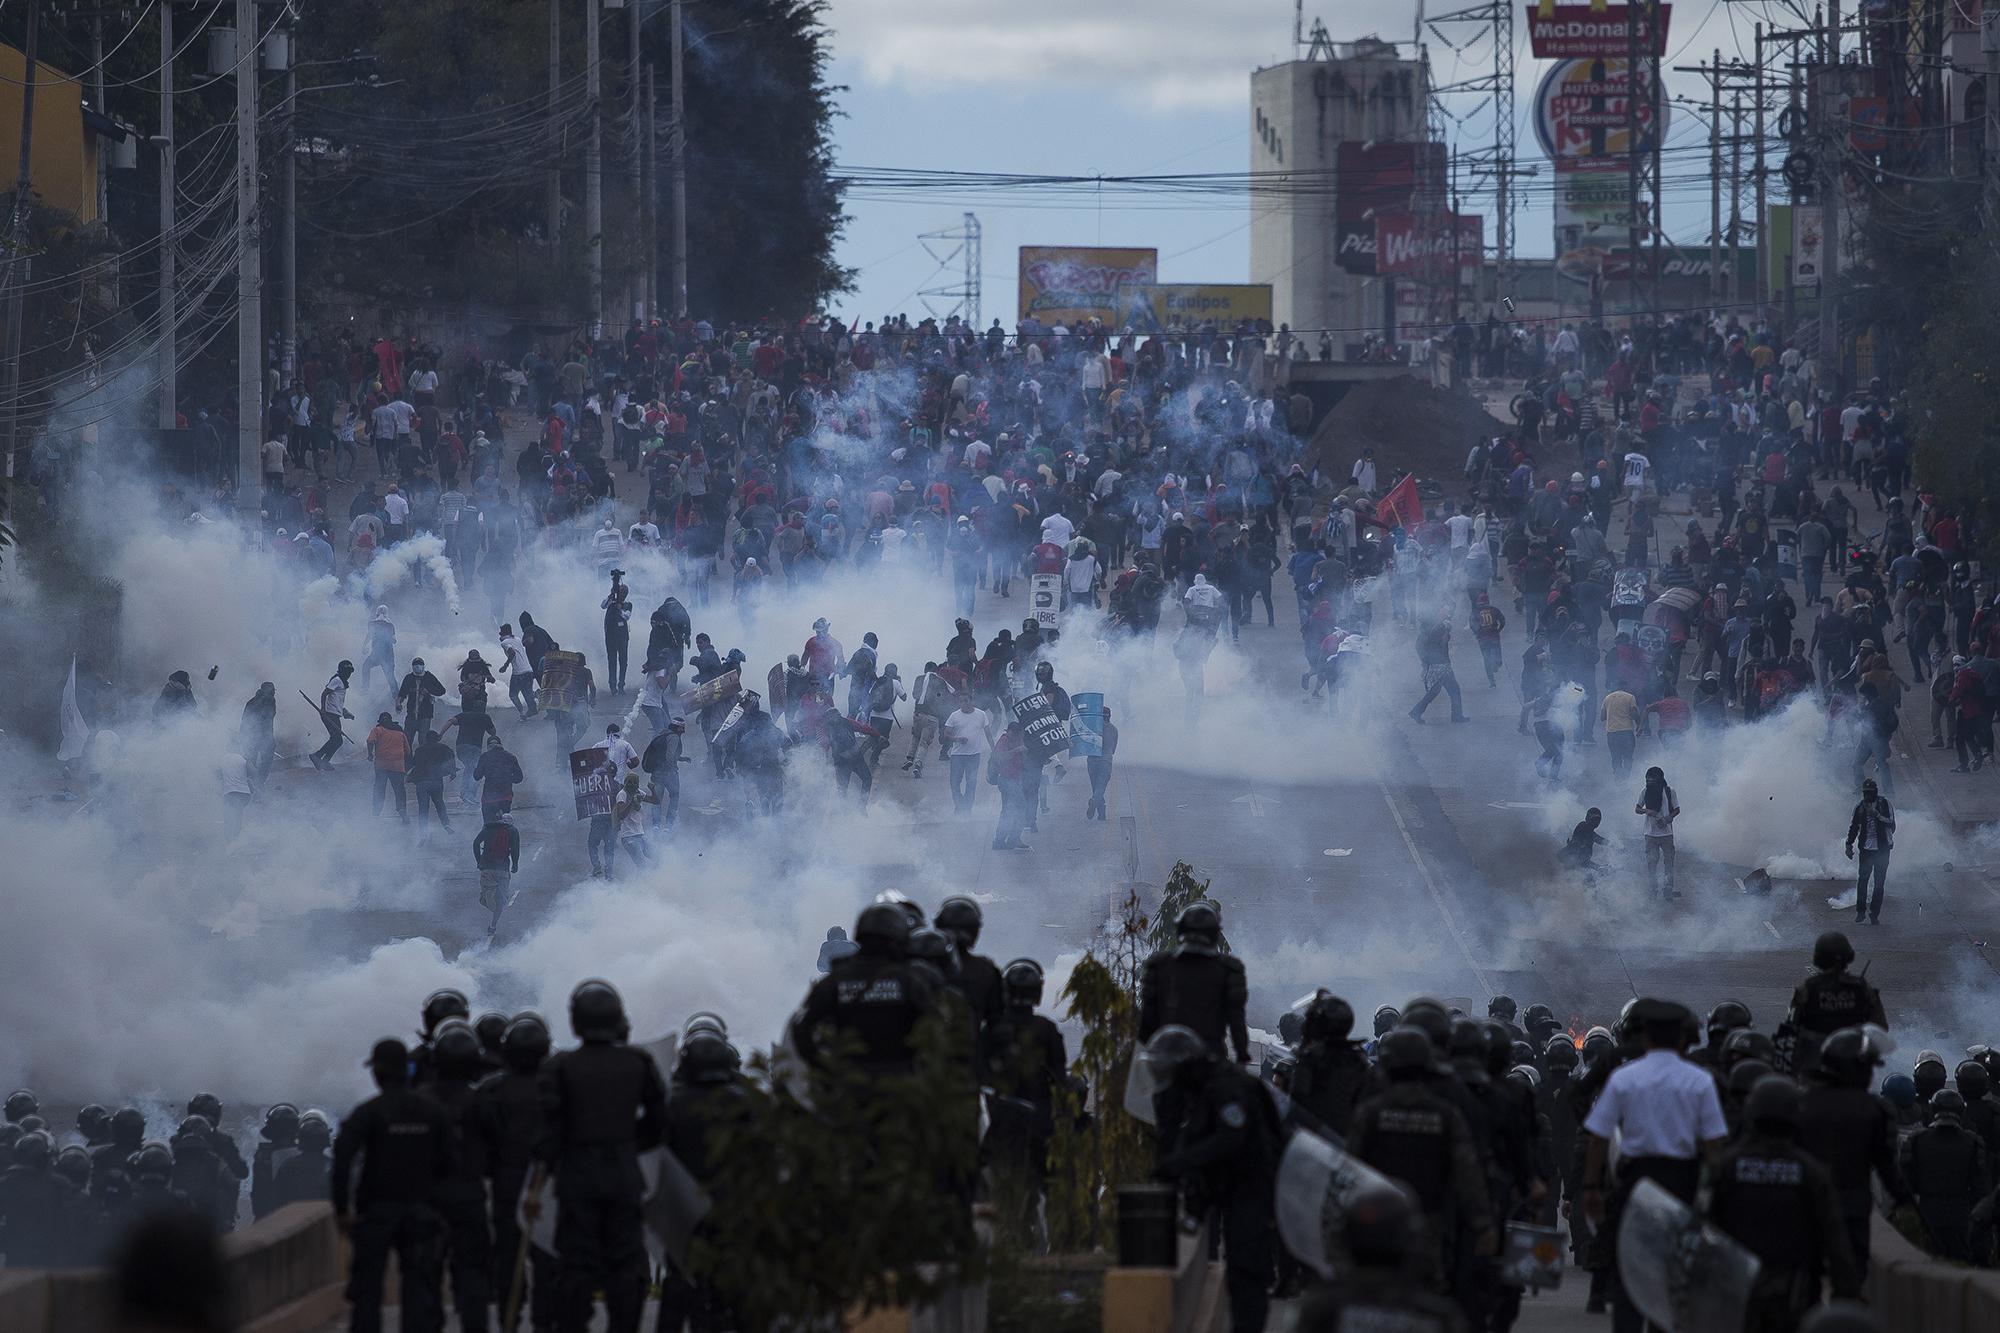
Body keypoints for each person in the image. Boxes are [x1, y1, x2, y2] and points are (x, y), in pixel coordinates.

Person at [524, 981, 668, 1333]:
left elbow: (549, 1132)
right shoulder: (637, 1062)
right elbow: (660, 1120)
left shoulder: (560, 1067)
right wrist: (629, 1145)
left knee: (577, 1267)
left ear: (576, 1021)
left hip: (577, 1178)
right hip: (623, 1175)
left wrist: (536, 1184)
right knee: (625, 1265)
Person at [1579, 999, 1728, 1333]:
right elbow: (1713, 1145)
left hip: (1635, 1182)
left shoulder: (1623, 1077)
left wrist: (1590, 1187)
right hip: (1682, 1183)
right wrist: (1712, 1193)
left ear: (1644, 1037)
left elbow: (1598, 1137)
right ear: (1680, 1039)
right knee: (1670, 1273)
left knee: (1629, 1269)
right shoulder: (1700, 1081)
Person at [1145, 1026, 1281, 1333]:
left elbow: (1231, 1138)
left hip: (1253, 1191)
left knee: (1247, 1274)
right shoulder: (1206, 1089)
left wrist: (1181, 1163)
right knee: (1239, 1275)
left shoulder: (1229, 1089)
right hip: (1234, 1191)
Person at [1707, 1076, 1862, 1328]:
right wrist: (1847, 1293)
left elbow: (1706, 1225)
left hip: (1737, 1291)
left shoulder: (1727, 1167)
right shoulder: (1811, 1172)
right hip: (1795, 1295)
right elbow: (1835, 1238)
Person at [332, 1038, 454, 1333]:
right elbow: (450, 1161)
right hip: (422, 1211)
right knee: (418, 1287)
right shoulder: (433, 1112)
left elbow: (343, 1159)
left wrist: (342, 1209)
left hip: (376, 1212)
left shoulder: (368, 1112)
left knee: (367, 1290)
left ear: (379, 1072)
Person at [1779, 931, 1888, 1074]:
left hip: (1815, 1067)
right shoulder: (1862, 988)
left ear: (1818, 959)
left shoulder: (1807, 989)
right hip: (1852, 1067)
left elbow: (1790, 1031)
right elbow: (1880, 1028)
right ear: (1848, 957)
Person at [1844, 777, 1894, 925]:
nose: (1867, 796)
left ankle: (1874, 913)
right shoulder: (1859, 807)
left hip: (1882, 850)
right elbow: (1853, 827)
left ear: (1875, 792)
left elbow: (1892, 823)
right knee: (1863, 880)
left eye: (1870, 793)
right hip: (1866, 850)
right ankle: (1860, 912)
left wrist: (1877, 815)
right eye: (1865, 793)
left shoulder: (1885, 804)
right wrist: (1849, 845)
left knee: (1879, 883)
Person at [1409, 614, 1467, 723]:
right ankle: (1456, 716)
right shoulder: (1434, 631)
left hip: (1436, 665)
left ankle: (1417, 712)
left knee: (1436, 691)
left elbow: (1420, 648)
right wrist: (1445, 628)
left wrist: (1425, 663)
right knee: (1453, 690)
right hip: (1442, 666)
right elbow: (1442, 641)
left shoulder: (1423, 634)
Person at [472, 814, 520, 937]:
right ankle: (493, 925)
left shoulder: (488, 828)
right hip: (503, 870)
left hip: (487, 869)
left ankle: (489, 901)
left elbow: (476, 843)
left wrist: (479, 861)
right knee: (501, 900)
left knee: (484, 899)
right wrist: (515, 865)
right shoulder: (513, 831)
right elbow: (515, 849)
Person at [1636, 766, 1679, 899]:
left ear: (1659, 779)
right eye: (1647, 779)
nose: (1649, 782)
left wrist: (1666, 819)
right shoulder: (1645, 791)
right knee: (1652, 864)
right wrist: (1647, 811)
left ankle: (1667, 890)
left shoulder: (1669, 791)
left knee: (1669, 864)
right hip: (1650, 834)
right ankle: (1653, 890)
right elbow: (1637, 809)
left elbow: (1677, 810)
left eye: (1652, 779)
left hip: (1666, 834)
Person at [943, 695, 990, 814]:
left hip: (974, 755)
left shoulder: (981, 715)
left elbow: (988, 733)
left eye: (966, 701)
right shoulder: (954, 716)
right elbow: (946, 734)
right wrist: (957, 739)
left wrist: (994, 749)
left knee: (971, 782)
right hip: (957, 755)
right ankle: (959, 805)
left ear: (972, 701)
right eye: (961, 701)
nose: (963, 703)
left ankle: (967, 808)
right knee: (954, 782)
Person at [408, 729, 458, 835]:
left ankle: (423, 830)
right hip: (436, 781)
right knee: (440, 804)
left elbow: (414, 764)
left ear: (426, 739)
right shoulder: (444, 748)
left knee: (423, 807)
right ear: (437, 738)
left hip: (422, 782)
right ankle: (446, 824)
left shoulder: (419, 750)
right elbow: (451, 758)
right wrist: (453, 771)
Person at [366, 713, 410, 823]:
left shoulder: (378, 730)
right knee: (399, 790)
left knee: (380, 789)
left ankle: (376, 814)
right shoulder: (400, 732)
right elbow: (408, 751)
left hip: (382, 766)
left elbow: (370, 741)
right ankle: (403, 811)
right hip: (398, 766)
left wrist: (370, 754)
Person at [312, 660, 356, 770]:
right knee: (337, 739)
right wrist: (322, 709)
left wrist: (345, 713)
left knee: (337, 739)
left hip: (334, 714)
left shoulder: (342, 682)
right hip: (329, 713)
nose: (348, 674)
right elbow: (324, 693)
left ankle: (323, 760)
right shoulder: (336, 680)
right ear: (341, 670)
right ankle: (318, 757)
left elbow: (337, 701)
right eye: (347, 671)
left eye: (350, 672)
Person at [473, 733, 523, 821]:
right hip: (506, 796)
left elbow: (476, 776)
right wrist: (508, 779)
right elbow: (519, 778)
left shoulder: (484, 757)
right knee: (505, 824)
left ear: (488, 746)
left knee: (488, 826)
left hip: (489, 797)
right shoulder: (510, 757)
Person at [613, 773, 657, 871]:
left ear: (637, 784)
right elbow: (621, 815)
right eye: (629, 782)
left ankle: (656, 879)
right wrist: (631, 802)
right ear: (625, 783)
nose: (631, 784)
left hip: (640, 834)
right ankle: (640, 884)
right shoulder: (622, 795)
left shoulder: (637, 792)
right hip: (629, 837)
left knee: (657, 858)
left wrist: (652, 789)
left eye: (634, 782)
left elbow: (655, 801)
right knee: (643, 866)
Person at [1085, 705, 1120, 821]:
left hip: (1092, 760)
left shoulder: (1092, 727)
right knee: (1100, 787)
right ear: (1109, 716)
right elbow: (1113, 750)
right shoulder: (1114, 729)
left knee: (1095, 786)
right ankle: (1095, 802)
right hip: (1105, 761)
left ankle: (1101, 813)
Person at [1601, 685, 1639, 778]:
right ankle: (1627, 777)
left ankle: (1618, 779)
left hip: (1612, 733)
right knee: (1628, 757)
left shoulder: (1607, 698)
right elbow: (1634, 713)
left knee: (1615, 757)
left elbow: (1602, 717)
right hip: (1626, 732)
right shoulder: (1630, 697)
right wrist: (1639, 723)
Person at [1560, 807, 1606, 872]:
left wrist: (1616, 846)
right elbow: (1579, 858)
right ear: (1588, 818)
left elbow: (1583, 860)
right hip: (1564, 864)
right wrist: (1597, 867)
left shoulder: (1590, 833)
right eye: (1594, 819)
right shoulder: (1583, 826)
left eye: (1598, 819)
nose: (1596, 821)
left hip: (1571, 866)